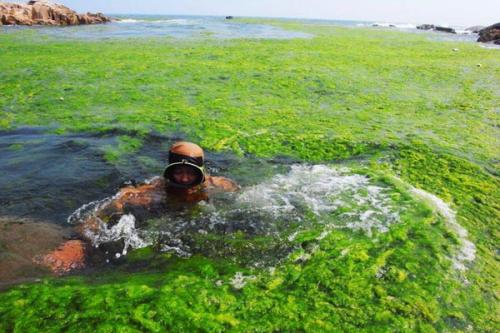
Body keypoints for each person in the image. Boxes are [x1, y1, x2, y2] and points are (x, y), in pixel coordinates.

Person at [41, 141, 239, 274]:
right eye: (179, 172)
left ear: (201, 171)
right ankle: (74, 249)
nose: (185, 179)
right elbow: (111, 205)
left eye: (191, 173)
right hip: (159, 215)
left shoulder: (219, 185)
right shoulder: (153, 189)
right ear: (169, 172)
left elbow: (244, 194)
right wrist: (83, 233)